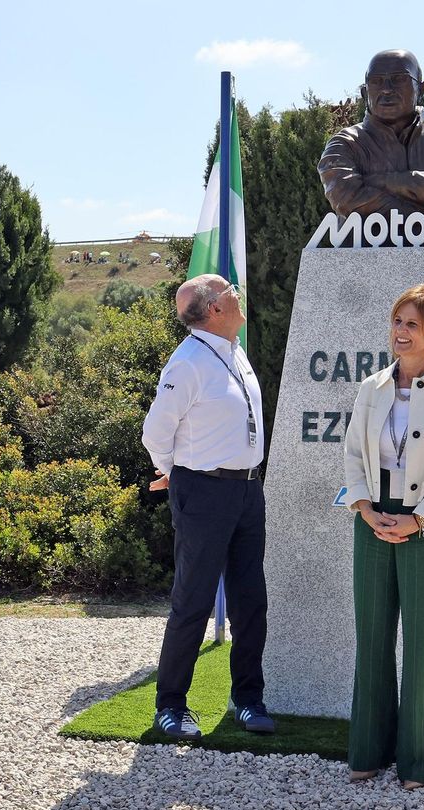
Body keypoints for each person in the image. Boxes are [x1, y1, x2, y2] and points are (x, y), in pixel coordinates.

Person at [341, 284, 424, 788]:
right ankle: (368, 751)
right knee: (372, 639)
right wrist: (364, 507)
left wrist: (420, 518)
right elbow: (355, 455)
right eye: (396, 321)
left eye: (412, 324)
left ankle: (420, 762)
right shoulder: (371, 388)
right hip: (373, 519)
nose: (400, 332)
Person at [141, 273, 274, 739]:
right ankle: (170, 707)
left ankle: (247, 700)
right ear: (214, 308)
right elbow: (156, 432)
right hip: (204, 492)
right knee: (193, 602)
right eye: (230, 288)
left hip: (246, 492)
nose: (238, 291)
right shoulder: (188, 363)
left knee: (250, 600)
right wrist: (173, 470)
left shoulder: (234, 349)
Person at [317, 49, 424, 219]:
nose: (386, 89)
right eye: (376, 81)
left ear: (421, 89)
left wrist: (387, 181)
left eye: (399, 79)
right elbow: (346, 198)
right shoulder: (344, 144)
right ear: (365, 93)